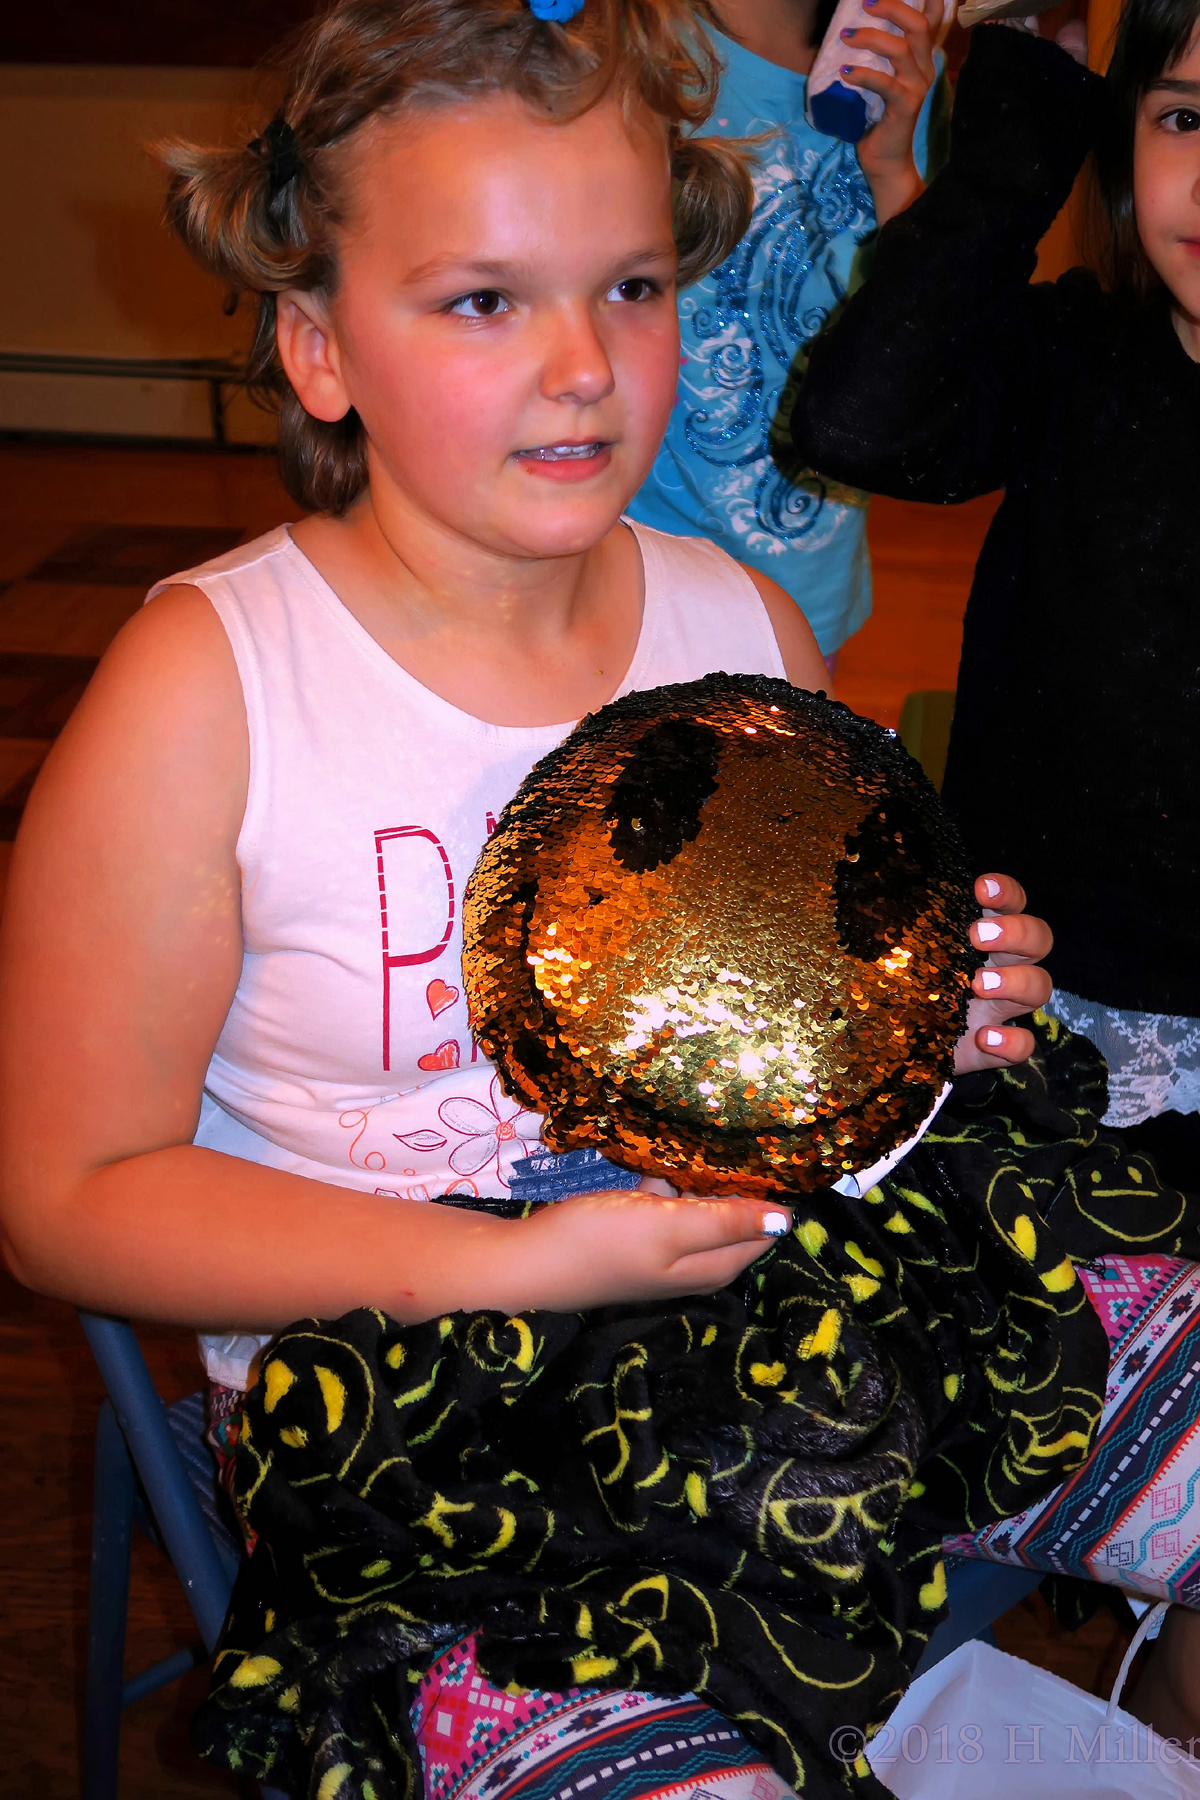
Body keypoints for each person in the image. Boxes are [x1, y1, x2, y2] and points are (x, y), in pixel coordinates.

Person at [0, 0, 1050, 1793]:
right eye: (486, 300)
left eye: (630, 288)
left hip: (763, 1303)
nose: (584, 364)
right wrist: (529, 1264)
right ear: (319, 346)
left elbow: (792, 1013)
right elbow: (67, 1202)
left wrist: (917, 1017)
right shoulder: (205, 693)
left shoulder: (742, 625)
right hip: (421, 1399)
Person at [791, 0, 1200, 1741]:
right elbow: (870, 423)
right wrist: (1017, 129)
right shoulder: (1078, 354)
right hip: (1047, 1065)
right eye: (1185, 115)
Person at [627, 0, 951, 674]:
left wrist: (895, 172)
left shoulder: (906, 72)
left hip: (807, 582)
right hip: (637, 565)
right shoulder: (633, 44)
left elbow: (922, 341)